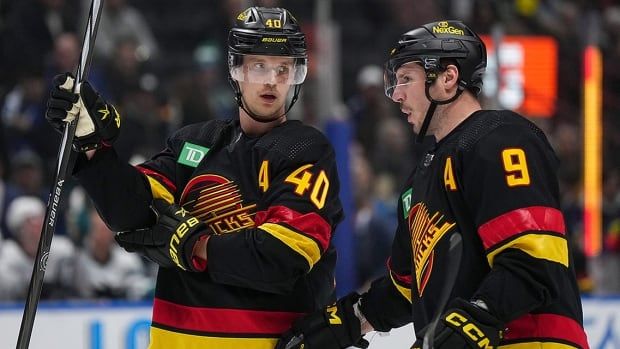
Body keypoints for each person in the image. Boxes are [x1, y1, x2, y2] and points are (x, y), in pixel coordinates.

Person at [277, 20, 589, 349]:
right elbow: (406, 290)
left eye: (406, 79)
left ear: (448, 78)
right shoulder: (420, 179)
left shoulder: (500, 138)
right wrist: (348, 321)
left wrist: (473, 320)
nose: (396, 94)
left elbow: (534, 259)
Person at [45, 6, 343, 349]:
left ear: (296, 75)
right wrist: (95, 149)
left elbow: (282, 257)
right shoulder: (194, 143)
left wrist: (194, 245)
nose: (271, 80)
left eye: (283, 68)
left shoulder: (305, 151)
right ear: (236, 70)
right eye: (259, 66)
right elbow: (130, 214)